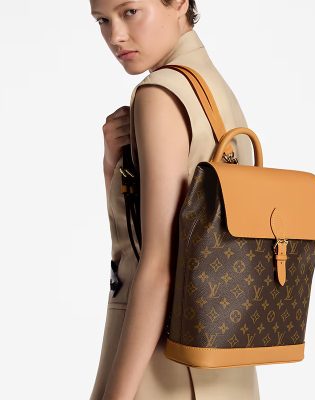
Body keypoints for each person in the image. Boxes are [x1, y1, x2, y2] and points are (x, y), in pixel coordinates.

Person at [89, 0, 261, 399]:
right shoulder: (213, 89)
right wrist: (114, 164)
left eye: (130, 11)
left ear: (180, 2)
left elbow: (158, 266)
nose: (115, 36)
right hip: (224, 362)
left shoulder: (159, 95)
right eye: (102, 20)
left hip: (162, 364)